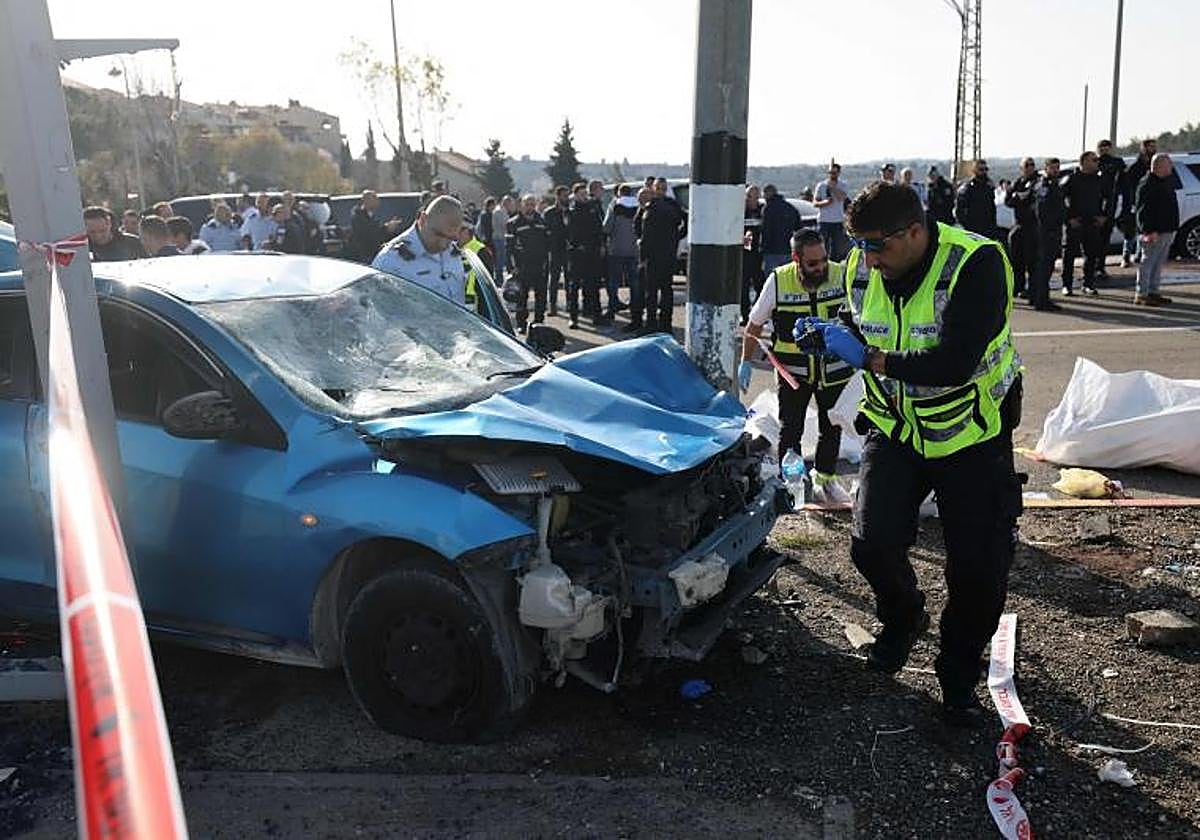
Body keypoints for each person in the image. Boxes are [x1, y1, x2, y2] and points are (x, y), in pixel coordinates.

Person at [800, 181, 1023, 724]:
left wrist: (870, 359)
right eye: (860, 247)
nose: (868, 260)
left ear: (916, 232)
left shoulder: (975, 264)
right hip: (896, 427)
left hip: (971, 434)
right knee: (871, 545)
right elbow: (860, 320)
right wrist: (831, 333)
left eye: (878, 246)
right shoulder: (862, 266)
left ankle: (957, 674)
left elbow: (954, 363)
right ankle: (904, 619)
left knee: (977, 570)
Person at [740, 228, 853, 505]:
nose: (821, 268)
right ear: (796, 259)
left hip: (834, 370)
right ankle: (791, 484)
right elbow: (754, 325)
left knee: (832, 427)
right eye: (812, 263)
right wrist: (746, 361)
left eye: (823, 259)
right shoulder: (779, 281)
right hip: (794, 373)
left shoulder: (841, 274)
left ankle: (825, 479)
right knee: (791, 430)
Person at [371, 195, 467, 305]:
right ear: (423, 220)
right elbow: (377, 310)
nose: (443, 245)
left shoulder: (453, 252)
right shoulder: (390, 262)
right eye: (439, 235)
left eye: (451, 238)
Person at [636, 178, 686, 334]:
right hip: (666, 254)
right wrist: (676, 238)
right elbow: (685, 222)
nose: (660, 191)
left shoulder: (653, 207)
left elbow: (644, 234)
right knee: (663, 290)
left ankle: (654, 324)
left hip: (655, 255)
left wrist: (642, 257)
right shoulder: (671, 205)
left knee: (654, 292)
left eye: (662, 188)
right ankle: (664, 324)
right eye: (658, 188)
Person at [1133, 153, 1179, 307]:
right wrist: (1148, 230)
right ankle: (1142, 294)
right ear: (1159, 166)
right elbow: (1143, 211)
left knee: (1158, 263)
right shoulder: (1147, 184)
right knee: (1148, 262)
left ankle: (1153, 292)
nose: (1171, 167)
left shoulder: (1165, 181)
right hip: (1154, 231)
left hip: (1166, 229)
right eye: (1168, 164)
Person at [1062, 151, 1106, 296]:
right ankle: (1067, 285)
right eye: (1094, 160)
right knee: (1069, 255)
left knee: (1091, 254)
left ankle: (1088, 284)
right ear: (1084, 162)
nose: (1097, 162)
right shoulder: (1071, 179)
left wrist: (1103, 216)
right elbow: (1060, 200)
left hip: (1093, 222)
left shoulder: (1099, 180)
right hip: (1076, 222)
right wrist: (1069, 218)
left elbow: (1107, 199)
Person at [507, 194, 551, 332]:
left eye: (532, 204)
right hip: (522, 266)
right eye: (527, 204)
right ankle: (521, 323)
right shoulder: (513, 223)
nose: (530, 207)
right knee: (522, 296)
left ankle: (539, 322)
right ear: (522, 205)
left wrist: (547, 262)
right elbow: (509, 248)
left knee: (541, 296)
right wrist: (512, 267)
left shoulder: (542, 222)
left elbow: (548, 244)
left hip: (540, 265)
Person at [565, 182, 607, 327]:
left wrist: (601, 245)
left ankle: (596, 315)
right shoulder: (571, 211)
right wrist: (576, 245)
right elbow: (569, 232)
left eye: (585, 194)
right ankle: (573, 317)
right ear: (575, 195)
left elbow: (599, 228)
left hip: (592, 252)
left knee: (593, 285)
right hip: (577, 253)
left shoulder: (593, 208)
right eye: (581, 194)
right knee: (574, 286)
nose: (584, 196)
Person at [1029, 157, 1065, 312]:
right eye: (1052, 168)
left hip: (1053, 231)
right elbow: (1041, 211)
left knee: (1047, 266)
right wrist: (1049, 230)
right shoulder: (1044, 186)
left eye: (1057, 167)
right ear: (1046, 168)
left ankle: (1041, 297)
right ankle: (1041, 299)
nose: (1055, 170)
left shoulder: (1055, 184)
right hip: (1046, 232)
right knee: (1044, 267)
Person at [604, 184, 640, 329]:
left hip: (616, 249)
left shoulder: (614, 206)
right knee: (634, 283)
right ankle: (635, 311)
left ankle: (612, 309)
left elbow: (607, 227)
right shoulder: (638, 205)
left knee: (614, 282)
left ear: (619, 193)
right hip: (634, 250)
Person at [1004, 158, 1040, 299]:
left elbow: (1035, 200)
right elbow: (1008, 201)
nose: (1029, 167)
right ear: (1021, 168)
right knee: (1016, 259)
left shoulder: (1038, 181)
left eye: (1032, 165)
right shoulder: (1018, 182)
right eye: (1026, 165)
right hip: (1019, 224)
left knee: (1032, 261)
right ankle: (1018, 287)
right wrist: (1018, 198)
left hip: (1033, 226)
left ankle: (1033, 289)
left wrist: (1022, 198)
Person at [1095, 139, 1127, 281]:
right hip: (1094, 206)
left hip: (1110, 205)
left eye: (1107, 149)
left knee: (1105, 238)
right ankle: (1093, 267)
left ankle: (1100, 267)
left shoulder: (1117, 163)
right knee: (1092, 239)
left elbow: (1124, 182)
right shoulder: (1094, 163)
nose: (1104, 151)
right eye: (1102, 149)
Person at [1122, 138, 1156, 266]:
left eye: (1154, 146)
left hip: (1150, 202)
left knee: (1144, 229)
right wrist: (1132, 202)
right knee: (1131, 230)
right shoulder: (1135, 167)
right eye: (1150, 146)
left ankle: (1139, 255)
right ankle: (1126, 256)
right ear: (1144, 148)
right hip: (1135, 202)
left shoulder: (1154, 165)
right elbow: (1128, 186)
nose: (1153, 149)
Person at [349, 190, 403, 263]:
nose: (377, 202)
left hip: (374, 252)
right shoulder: (358, 216)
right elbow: (368, 233)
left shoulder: (370, 214)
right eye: (374, 199)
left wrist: (388, 228)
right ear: (365, 201)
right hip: (365, 254)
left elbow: (377, 234)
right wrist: (386, 228)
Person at [760, 183, 801, 273]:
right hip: (788, 250)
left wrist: (762, 248)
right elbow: (798, 229)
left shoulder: (768, 208)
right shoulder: (791, 208)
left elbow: (766, 231)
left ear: (767, 194)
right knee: (787, 276)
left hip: (771, 251)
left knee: (772, 278)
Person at [543, 186, 570, 317]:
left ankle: (570, 304)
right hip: (554, 249)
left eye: (567, 195)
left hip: (568, 249)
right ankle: (552, 305)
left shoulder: (570, 211)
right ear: (558, 196)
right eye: (564, 196)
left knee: (569, 278)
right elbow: (546, 231)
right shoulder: (549, 213)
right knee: (554, 278)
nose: (566, 198)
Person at [814, 164, 850, 261]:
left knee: (837, 248)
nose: (832, 175)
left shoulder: (843, 185)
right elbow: (815, 203)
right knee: (822, 246)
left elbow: (842, 198)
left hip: (837, 221)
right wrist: (825, 203)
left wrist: (832, 188)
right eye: (830, 173)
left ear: (838, 173)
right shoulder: (821, 185)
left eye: (834, 173)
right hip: (823, 221)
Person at [954, 159, 996, 238]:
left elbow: (992, 208)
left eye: (986, 169)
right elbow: (959, 211)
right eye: (981, 169)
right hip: (973, 230)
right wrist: (967, 227)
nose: (984, 172)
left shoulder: (989, 187)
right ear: (974, 171)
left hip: (988, 230)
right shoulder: (968, 188)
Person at [742, 184, 764, 324]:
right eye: (748, 196)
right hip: (744, 255)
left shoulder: (763, 211)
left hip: (758, 255)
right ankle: (745, 315)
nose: (750, 199)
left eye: (753, 196)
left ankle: (756, 314)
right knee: (743, 287)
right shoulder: (741, 211)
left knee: (760, 286)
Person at [491, 197, 512, 279]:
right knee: (500, 258)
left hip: (501, 237)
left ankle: (499, 275)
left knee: (501, 257)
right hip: (499, 237)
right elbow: (504, 224)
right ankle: (498, 276)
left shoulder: (502, 211)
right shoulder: (499, 211)